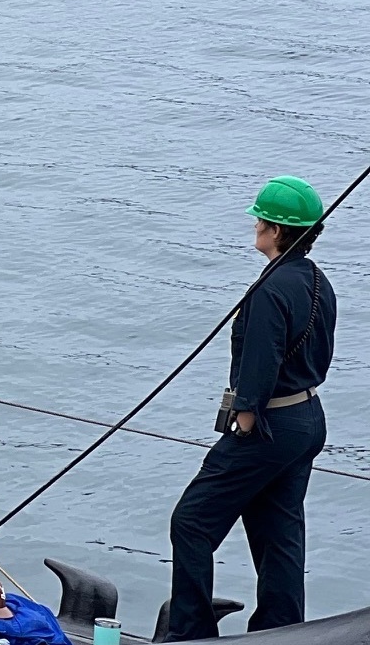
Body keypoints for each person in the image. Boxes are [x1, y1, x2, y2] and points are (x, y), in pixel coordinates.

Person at [165, 176, 336, 641]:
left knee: (192, 521)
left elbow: (260, 361)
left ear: (277, 231)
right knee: (278, 533)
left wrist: (244, 418)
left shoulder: (269, 291)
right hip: (307, 419)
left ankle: (190, 632)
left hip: (268, 425)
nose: (255, 226)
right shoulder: (318, 280)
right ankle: (282, 632)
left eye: (261, 220)